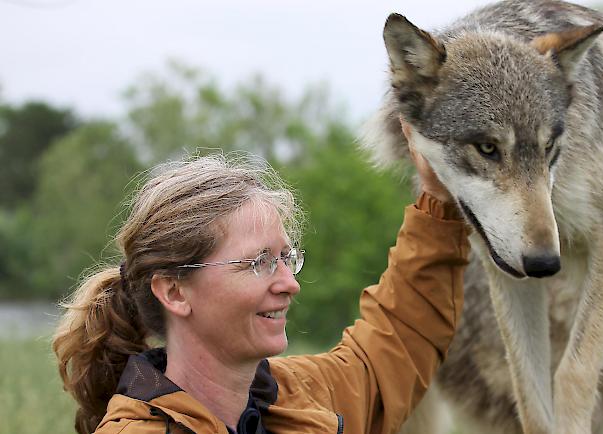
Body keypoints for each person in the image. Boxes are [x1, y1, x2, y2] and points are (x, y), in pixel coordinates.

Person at [53, 126, 469, 434]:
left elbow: (396, 344)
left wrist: (438, 198)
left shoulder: (299, 395)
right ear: (175, 292)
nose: (289, 283)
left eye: (287, 258)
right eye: (258, 263)